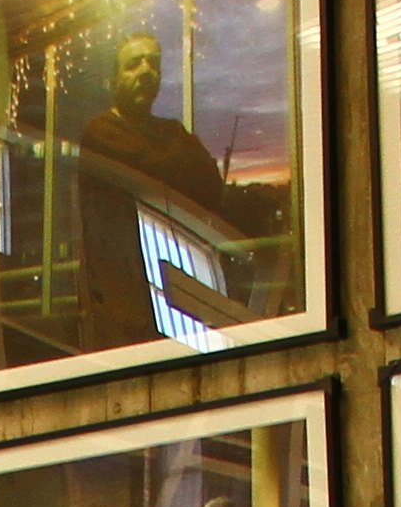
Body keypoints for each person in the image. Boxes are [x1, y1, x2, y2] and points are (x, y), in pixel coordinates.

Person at [74, 28, 275, 354]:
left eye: (153, 63)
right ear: (114, 79)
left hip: (182, 277)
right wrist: (179, 162)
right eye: (134, 64)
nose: (145, 72)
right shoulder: (102, 133)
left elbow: (209, 185)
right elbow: (159, 171)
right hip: (129, 292)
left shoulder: (171, 132)